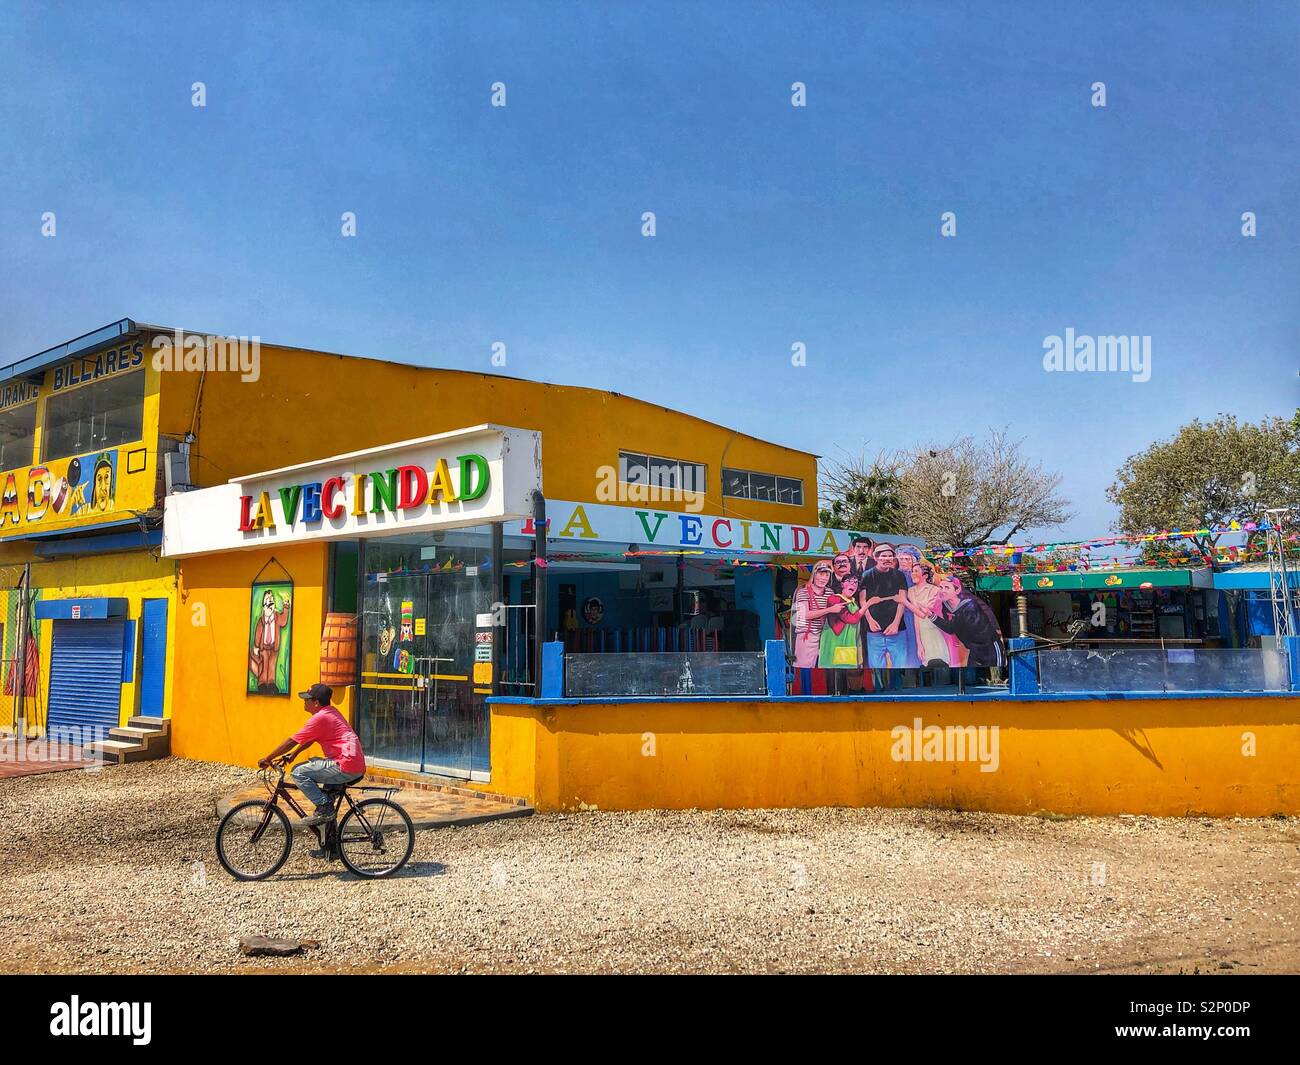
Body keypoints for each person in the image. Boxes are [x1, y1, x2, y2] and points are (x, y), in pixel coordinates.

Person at [259, 683, 367, 826]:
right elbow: (310, 739)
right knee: (325, 803)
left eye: (307, 699)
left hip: (344, 765)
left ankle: (325, 808)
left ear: (316, 703)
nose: (304, 701)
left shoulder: (320, 718)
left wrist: (268, 758)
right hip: (351, 763)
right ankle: (329, 846)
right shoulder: (331, 712)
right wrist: (294, 754)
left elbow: (291, 741)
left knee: (298, 772)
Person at [858, 543, 910, 684]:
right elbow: (863, 600)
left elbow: (902, 600)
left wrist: (895, 623)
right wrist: (869, 620)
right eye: (884, 556)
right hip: (874, 632)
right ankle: (878, 694)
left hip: (897, 631)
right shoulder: (867, 575)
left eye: (890, 556)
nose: (887, 558)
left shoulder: (899, 575)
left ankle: (901, 694)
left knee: (900, 666)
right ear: (876, 558)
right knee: (876, 668)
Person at [932, 576, 1006, 668]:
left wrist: (933, 617)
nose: (942, 591)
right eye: (941, 587)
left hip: (989, 647)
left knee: (997, 675)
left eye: (947, 588)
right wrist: (931, 616)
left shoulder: (970, 605)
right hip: (974, 649)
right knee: (973, 677)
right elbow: (950, 628)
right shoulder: (946, 606)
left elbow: (955, 626)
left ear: (957, 590)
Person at [894, 562, 951, 668]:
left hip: (934, 631)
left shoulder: (934, 590)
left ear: (925, 575)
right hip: (922, 632)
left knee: (939, 661)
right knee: (926, 663)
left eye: (916, 571)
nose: (913, 574)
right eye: (912, 571)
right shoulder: (910, 591)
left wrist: (905, 602)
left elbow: (923, 614)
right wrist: (919, 642)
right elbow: (916, 616)